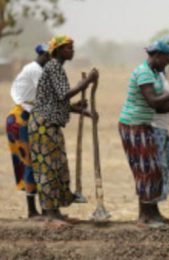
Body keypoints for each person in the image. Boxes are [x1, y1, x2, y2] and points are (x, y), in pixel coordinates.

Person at [118, 36, 169, 228]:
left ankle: (154, 214)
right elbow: (153, 101)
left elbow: (160, 108)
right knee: (145, 170)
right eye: (168, 59)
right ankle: (144, 218)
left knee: (153, 170)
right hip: (133, 125)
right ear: (158, 55)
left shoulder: (154, 73)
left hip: (144, 124)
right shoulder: (144, 73)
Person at [28, 35, 98, 227]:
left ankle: (56, 212)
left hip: (49, 124)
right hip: (43, 126)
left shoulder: (55, 68)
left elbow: (57, 102)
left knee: (57, 167)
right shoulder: (53, 67)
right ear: (57, 51)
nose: (72, 51)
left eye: (72, 47)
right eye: (68, 48)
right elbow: (63, 95)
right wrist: (87, 81)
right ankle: (50, 216)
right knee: (48, 168)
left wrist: (78, 109)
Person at [6, 44, 50, 218]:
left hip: (23, 116)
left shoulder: (35, 69)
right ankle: (32, 211)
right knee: (31, 162)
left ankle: (39, 209)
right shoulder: (35, 70)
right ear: (46, 55)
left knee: (33, 162)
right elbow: (48, 98)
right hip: (21, 119)